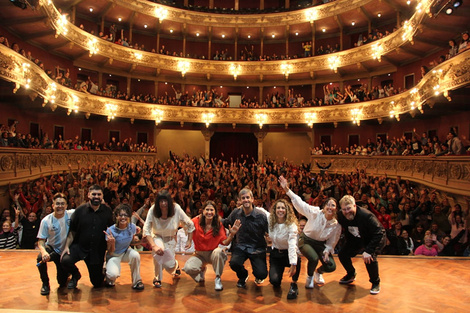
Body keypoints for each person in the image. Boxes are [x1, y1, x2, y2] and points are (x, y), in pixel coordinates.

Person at [279, 176, 340, 290]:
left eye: (333, 205)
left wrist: (327, 252)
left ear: (336, 209)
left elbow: (332, 242)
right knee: (313, 258)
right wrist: (287, 189)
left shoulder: (336, 225)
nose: (330, 207)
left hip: (320, 244)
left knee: (331, 266)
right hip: (306, 240)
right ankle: (310, 277)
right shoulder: (315, 212)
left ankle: (318, 272)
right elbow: (301, 204)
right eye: (328, 204)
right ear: (324, 206)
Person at [61, 185, 114, 289]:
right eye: (94, 194)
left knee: (97, 283)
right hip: (80, 247)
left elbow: (112, 229)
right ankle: (75, 275)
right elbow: (72, 231)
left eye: (99, 194)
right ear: (88, 195)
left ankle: (102, 271)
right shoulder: (79, 210)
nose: (96, 196)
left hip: (96, 251)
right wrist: (67, 246)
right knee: (65, 260)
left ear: (102, 196)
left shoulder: (107, 211)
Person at [182, 200, 240, 291]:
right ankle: (201, 271)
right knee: (188, 268)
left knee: (219, 252)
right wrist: (189, 240)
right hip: (199, 254)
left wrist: (232, 235)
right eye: (207, 210)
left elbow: (225, 243)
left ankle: (217, 278)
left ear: (215, 212)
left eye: (212, 210)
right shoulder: (195, 221)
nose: (209, 212)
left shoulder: (218, 224)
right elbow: (186, 227)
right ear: (203, 211)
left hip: (212, 253)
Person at [143, 189, 195, 288]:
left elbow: (189, 224)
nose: (163, 204)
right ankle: (157, 278)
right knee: (159, 253)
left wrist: (189, 240)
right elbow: (146, 228)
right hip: (157, 237)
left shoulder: (176, 209)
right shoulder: (153, 210)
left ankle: (175, 266)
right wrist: (153, 246)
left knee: (169, 266)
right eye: (161, 201)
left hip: (170, 239)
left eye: (165, 201)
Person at [337, 195, 386, 295]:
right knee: (342, 254)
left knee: (369, 258)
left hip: (374, 238)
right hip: (357, 238)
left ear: (354, 206)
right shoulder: (341, 215)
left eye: (349, 208)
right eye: (344, 209)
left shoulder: (366, 216)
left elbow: (379, 232)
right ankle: (351, 274)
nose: (347, 211)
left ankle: (375, 282)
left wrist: (368, 250)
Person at [223, 187, 269, 288]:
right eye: (243, 198)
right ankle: (243, 276)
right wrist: (211, 219)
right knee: (234, 263)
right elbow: (225, 222)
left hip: (257, 248)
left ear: (252, 199)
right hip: (241, 247)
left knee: (262, 274)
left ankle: (258, 275)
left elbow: (269, 231)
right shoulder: (235, 213)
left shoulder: (261, 215)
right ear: (239, 200)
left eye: (248, 197)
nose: (246, 200)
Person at [36, 193, 74, 295]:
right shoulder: (46, 221)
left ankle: (69, 273)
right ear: (53, 205)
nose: (60, 206)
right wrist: (44, 252)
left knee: (62, 283)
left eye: (62, 204)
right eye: (57, 204)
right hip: (52, 249)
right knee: (40, 258)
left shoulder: (71, 214)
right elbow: (41, 241)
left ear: (66, 206)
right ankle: (45, 284)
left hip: (66, 251)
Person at [266, 198, 301, 299]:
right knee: (274, 282)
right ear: (274, 210)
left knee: (297, 260)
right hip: (276, 254)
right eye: (278, 208)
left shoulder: (292, 225)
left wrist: (293, 263)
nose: (280, 210)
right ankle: (278, 275)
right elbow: (262, 211)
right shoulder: (271, 220)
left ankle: (294, 284)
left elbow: (292, 245)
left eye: (283, 208)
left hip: (288, 254)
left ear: (287, 210)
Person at [103, 204, 144, 290]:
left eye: (125, 215)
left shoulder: (131, 227)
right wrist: (112, 243)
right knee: (112, 275)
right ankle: (107, 273)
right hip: (114, 255)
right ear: (116, 216)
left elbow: (131, 242)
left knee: (136, 255)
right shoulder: (110, 231)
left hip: (125, 252)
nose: (123, 217)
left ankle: (137, 281)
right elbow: (110, 252)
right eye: (120, 215)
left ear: (129, 217)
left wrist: (141, 242)